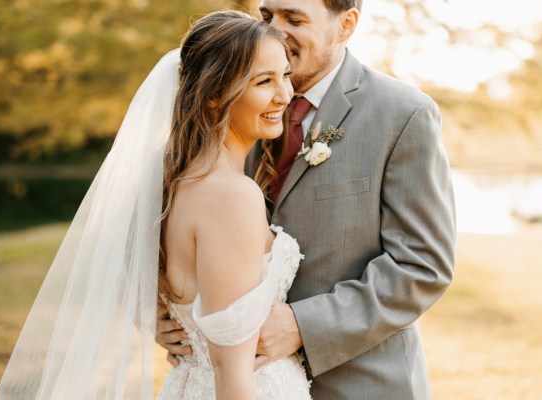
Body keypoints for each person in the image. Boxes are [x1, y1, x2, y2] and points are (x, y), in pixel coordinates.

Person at [0, 10, 313, 400]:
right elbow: (231, 370)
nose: (284, 94)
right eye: (264, 81)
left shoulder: (170, 183)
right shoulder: (231, 196)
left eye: (284, 74)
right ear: (214, 96)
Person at [157, 0, 456, 399]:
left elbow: (422, 264)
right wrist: (165, 314)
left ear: (346, 24)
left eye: (294, 18)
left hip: (363, 383)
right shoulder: (229, 112)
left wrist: (302, 325)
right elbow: (155, 225)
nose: (276, 31)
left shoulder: (403, 114)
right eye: (267, 17)